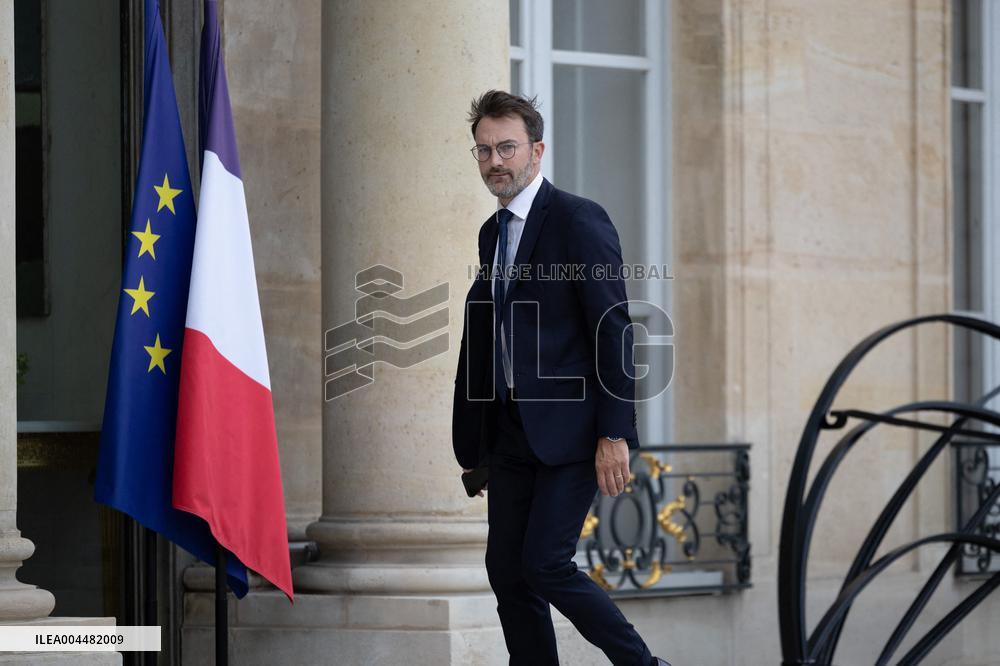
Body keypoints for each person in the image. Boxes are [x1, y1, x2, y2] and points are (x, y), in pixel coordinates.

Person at [451, 90, 671, 666]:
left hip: (573, 432)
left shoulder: (578, 219)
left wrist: (614, 434)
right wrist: (479, 438)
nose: (495, 161)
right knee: (507, 571)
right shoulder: (491, 233)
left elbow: (613, 328)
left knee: (545, 564)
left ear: (537, 150)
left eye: (507, 147)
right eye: (483, 150)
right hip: (512, 432)